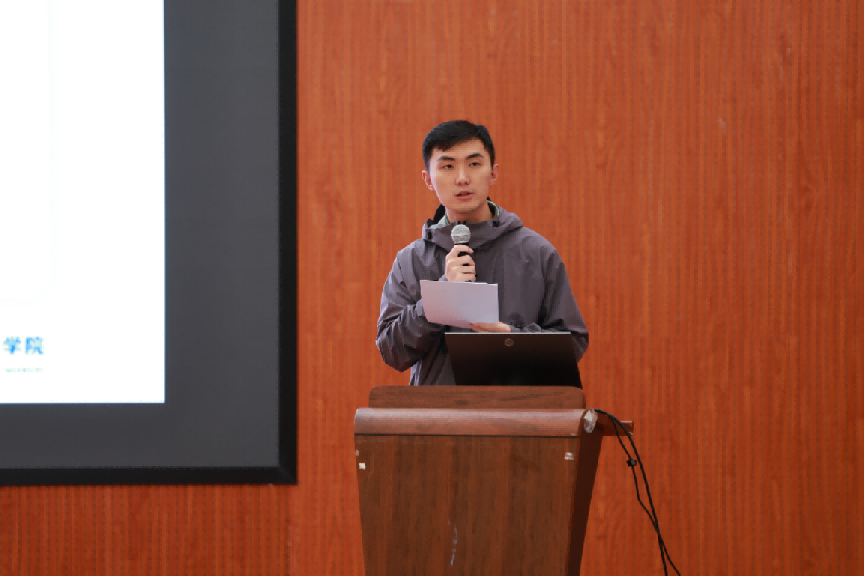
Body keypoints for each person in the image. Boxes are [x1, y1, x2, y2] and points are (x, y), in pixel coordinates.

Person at [376, 120, 588, 386]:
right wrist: (441, 296)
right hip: (437, 410)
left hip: (519, 409)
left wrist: (509, 338)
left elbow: (572, 344)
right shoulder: (410, 261)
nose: (462, 177)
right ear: (428, 180)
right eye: (448, 166)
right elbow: (392, 351)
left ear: (493, 173)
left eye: (474, 164)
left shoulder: (537, 253)